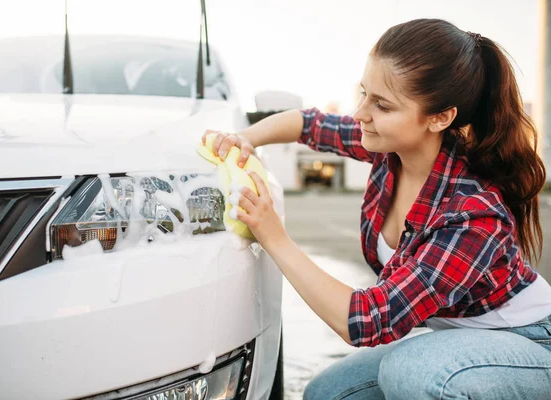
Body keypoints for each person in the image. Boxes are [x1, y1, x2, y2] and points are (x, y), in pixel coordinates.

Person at [202, 18, 551, 399]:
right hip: (459, 342)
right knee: (328, 392)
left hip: (531, 346)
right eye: (364, 93)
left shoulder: (474, 213)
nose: (361, 113)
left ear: (439, 118)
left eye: (382, 104)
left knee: (415, 373)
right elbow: (308, 124)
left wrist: (274, 236)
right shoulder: (386, 145)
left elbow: (366, 322)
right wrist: (243, 140)